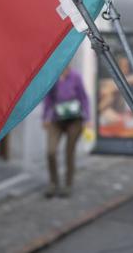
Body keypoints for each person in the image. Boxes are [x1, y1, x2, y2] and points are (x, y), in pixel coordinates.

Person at [42, 63, 89, 198]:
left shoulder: (75, 77)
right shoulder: (54, 76)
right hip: (56, 118)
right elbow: (48, 99)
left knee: (69, 152)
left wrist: (87, 117)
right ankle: (53, 183)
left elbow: (84, 98)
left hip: (74, 120)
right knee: (51, 151)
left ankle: (68, 185)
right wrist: (45, 117)